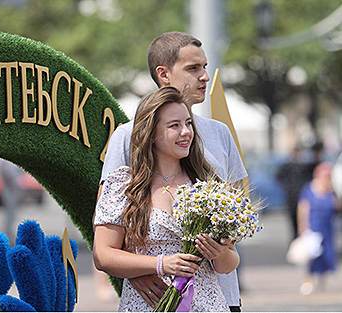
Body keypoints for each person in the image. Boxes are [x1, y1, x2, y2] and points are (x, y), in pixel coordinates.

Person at [98, 32, 247, 311]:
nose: (204, 76)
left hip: (219, 295)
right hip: (153, 298)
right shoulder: (126, 136)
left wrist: (222, 249)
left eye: (204, 67)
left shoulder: (220, 133)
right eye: (193, 68)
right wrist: (143, 270)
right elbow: (107, 226)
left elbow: (232, 224)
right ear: (163, 74)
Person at [296, 162, 339, 295]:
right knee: (313, 255)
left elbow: (337, 207)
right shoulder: (309, 188)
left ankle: (322, 282)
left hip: (328, 226)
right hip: (314, 225)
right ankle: (308, 280)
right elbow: (302, 208)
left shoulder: (330, 190)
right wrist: (302, 226)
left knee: (327, 254)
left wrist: (333, 190)